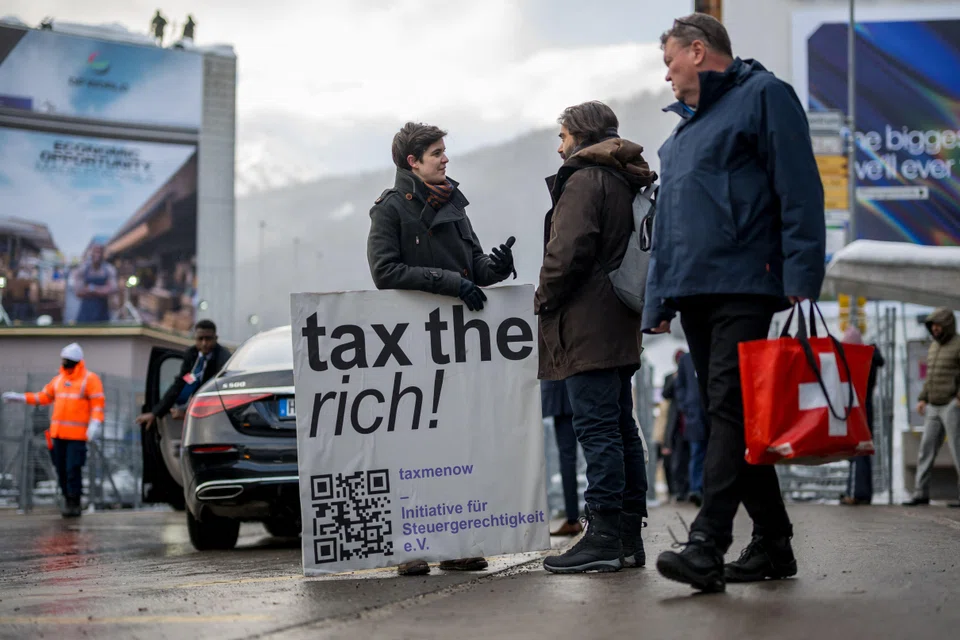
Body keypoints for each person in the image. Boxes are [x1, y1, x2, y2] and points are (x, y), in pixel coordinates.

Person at [646, 13, 826, 592]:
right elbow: (666, 226)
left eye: (671, 62)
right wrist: (658, 300)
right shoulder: (677, 139)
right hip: (695, 289)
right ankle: (773, 545)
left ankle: (707, 544)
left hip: (748, 281)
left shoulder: (766, 96)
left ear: (698, 52)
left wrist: (802, 274)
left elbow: (800, 189)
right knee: (737, 414)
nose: (668, 76)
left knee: (726, 405)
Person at [366, 122, 515, 576]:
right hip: (413, 349)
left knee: (458, 444)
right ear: (412, 162)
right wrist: (451, 284)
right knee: (416, 451)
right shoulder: (390, 210)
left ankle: (457, 545)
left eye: (444, 151)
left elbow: (474, 269)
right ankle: (410, 548)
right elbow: (384, 272)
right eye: (436, 153)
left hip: (459, 346)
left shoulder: (454, 202)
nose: (445, 159)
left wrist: (496, 267)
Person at [536, 101, 656, 574]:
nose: (559, 145)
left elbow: (567, 251)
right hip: (618, 319)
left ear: (581, 135)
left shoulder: (585, 178)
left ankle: (603, 535)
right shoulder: (622, 176)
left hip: (588, 323)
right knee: (622, 428)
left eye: (562, 135)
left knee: (598, 430)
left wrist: (543, 298)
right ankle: (627, 538)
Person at [2, 343, 105, 518]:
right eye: (63, 360)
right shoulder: (58, 380)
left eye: (67, 360)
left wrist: (95, 423)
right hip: (57, 435)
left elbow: (97, 404)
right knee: (62, 469)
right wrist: (21, 398)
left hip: (77, 436)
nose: (64, 363)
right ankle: (67, 499)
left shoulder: (89, 379)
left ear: (76, 361)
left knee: (73, 469)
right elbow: (43, 397)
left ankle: (74, 502)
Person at [903, 308, 960, 508]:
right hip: (933, 406)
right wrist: (922, 398)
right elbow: (930, 377)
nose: (934, 329)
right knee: (925, 449)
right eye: (932, 326)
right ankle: (920, 493)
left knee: (958, 449)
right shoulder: (934, 346)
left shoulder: (958, 344)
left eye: (937, 325)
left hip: (952, 405)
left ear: (947, 325)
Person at [136, 320, 230, 429]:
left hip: (212, 415)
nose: (204, 343)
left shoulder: (223, 358)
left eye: (208, 339)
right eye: (200, 339)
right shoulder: (191, 354)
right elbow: (180, 383)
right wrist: (155, 413)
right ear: (195, 338)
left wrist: (187, 413)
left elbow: (215, 393)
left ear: (215, 338)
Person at [839, 326, 886, 506]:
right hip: (866, 408)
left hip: (858, 408)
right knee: (862, 450)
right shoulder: (870, 358)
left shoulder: (860, 361)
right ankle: (863, 493)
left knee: (857, 450)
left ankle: (856, 493)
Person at [542, 380, 583, 536]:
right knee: (598, 448)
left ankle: (573, 519)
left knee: (568, 458)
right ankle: (606, 514)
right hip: (583, 388)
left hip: (561, 393)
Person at [673, 351, 707, 507]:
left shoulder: (712, 352)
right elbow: (679, 385)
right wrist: (685, 407)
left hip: (711, 413)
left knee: (713, 452)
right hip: (695, 416)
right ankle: (696, 489)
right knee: (696, 452)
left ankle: (708, 488)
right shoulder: (686, 359)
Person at [72, 244, 118, 323]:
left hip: (102, 314)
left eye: (100, 252)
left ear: (103, 254)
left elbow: (112, 290)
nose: (97, 255)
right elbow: (78, 292)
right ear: (91, 253)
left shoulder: (109, 269)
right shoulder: (83, 269)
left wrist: (91, 288)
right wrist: (102, 289)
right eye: (95, 252)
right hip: (85, 315)